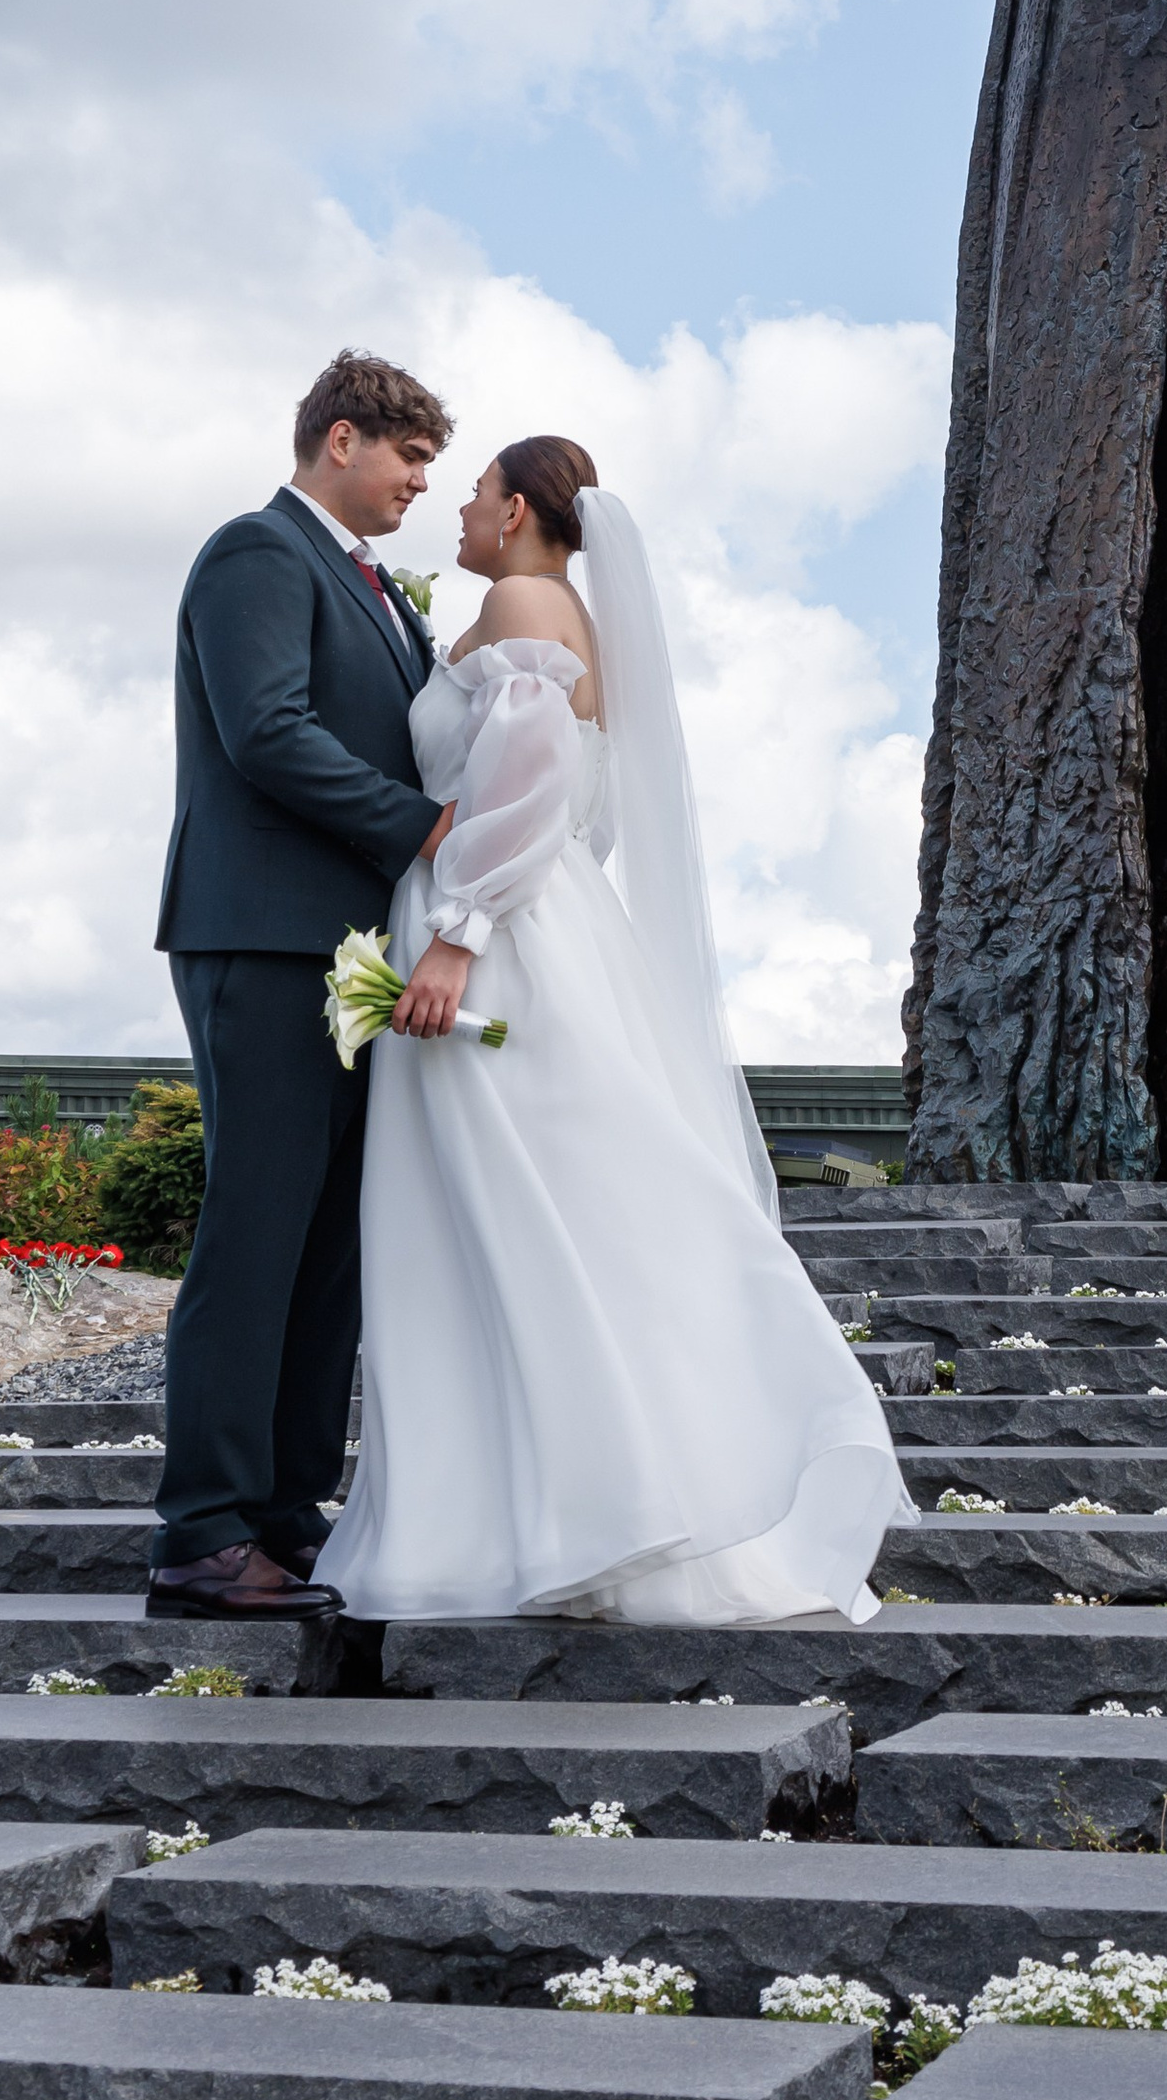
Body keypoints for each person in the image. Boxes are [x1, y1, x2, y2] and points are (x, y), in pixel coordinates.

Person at [317, 434, 909, 1623]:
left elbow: (534, 779)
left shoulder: (528, 598)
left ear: (523, 508)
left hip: (494, 945)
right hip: (528, 924)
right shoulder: (547, 608)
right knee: (507, 1216)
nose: (460, 513)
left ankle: (546, 1512)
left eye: (476, 493)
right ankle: (544, 1503)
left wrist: (459, 932)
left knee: (503, 1212)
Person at [145, 349, 455, 1620]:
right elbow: (264, 730)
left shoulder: (376, 587)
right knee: (259, 1234)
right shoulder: (255, 555)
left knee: (329, 1250)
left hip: (352, 956)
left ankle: (283, 1512)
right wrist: (421, 829)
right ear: (341, 441)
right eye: (407, 460)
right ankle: (201, 1532)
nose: (419, 488)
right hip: (264, 939)